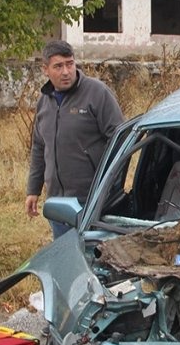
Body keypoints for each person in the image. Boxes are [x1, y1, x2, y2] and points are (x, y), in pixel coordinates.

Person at [25, 40, 125, 238]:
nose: (66, 72)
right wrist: (33, 190)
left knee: (93, 254)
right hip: (58, 203)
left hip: (92, 201)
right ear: (45, 69)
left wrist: (109, 185)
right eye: (58, 66)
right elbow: (39, 147)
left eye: (70, 64)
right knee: (65, 252)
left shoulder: (97, 93)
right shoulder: (44, 101)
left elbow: (120, 140)